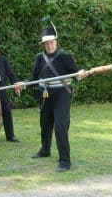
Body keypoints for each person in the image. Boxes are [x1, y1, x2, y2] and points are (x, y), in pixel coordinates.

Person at [30, 16, 87, 172]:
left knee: (60, 126)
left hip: (62, 94)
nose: (49, 45)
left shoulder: (65, 56)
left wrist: (80, 74)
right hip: (45, 94)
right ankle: (45, 150)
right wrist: (22, 83)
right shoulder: (39, 58)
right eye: (46, 43)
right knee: (44, 123)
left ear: (56, 42)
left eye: (51, 42)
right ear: (43, 44)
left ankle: (65, 161)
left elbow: (76, 73)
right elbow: (33, 78)